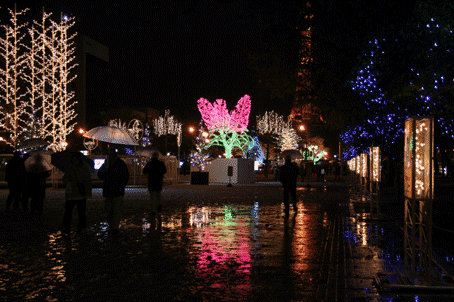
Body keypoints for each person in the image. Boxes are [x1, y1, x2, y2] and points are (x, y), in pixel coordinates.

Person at [98, 148, 130, 235]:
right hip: (110, 190)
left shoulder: (120, 164)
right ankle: (112, 225)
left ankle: (114, 227)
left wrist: (120, 184)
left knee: (115, 209)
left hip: (115, 190)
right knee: (110, 209)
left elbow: (125, 176)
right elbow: (100, 175)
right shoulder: (107, 164)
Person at [61, 153, 92, 234]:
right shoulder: (71, 169)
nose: (74, 161)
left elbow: (87, 181)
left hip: (79, 193)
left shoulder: (81, 169)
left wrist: (87, 192)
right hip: (72, 194)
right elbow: (64, 179)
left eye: (76, 159)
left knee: (80, 212)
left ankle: (79, 227)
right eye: (73, 159)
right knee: (69, 211)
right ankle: (68, 227)